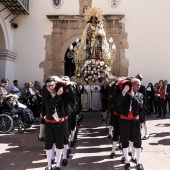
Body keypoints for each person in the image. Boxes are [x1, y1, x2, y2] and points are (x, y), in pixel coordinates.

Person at [42, 77, 72, 170]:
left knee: (60, 143)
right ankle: (49, 165)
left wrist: (67, 84)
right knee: (48, 144)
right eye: (48, 86)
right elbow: (49, 105)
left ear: (56, 85)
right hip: (49, 123)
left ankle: (58, 165)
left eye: (52, 85)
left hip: (61, 122)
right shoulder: (46, 95)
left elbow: (72, 97)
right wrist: (57, 95)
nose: (50, 87)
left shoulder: (63, 94)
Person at [116, 78, 144, 170]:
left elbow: (140, 105)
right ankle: (127, 161)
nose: (138, 87)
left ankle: (139, 161)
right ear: (132, 84)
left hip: (135, 120)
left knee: (137, 141)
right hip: (124, 120)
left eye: (139, 85)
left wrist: (133, 96)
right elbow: (117, 103)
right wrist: (124, 92)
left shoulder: (139, 95)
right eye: (136, 84)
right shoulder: (124, 94)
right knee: (125, 141)